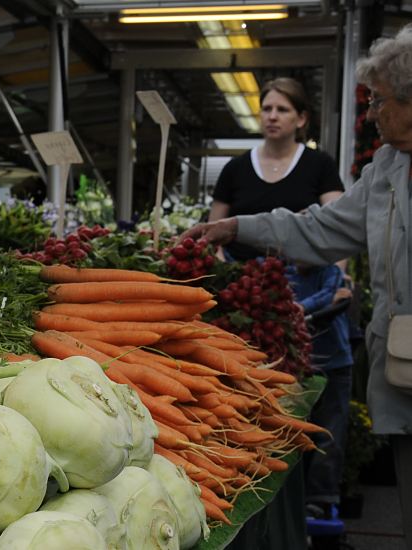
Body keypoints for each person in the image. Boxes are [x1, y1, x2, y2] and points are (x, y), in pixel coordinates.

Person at [181, 24, 412, 548]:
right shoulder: (386, 170)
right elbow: (322, 229)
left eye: (378, 101)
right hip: (404, 369)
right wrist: (240, 226)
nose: (371, 113)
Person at [209, 77, 344, 261]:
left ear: (301, 119)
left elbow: (336, 226)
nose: (272, 116)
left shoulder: (320, 165)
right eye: (266, 109)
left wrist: (335, 277)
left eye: (282, 110)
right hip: (239, 280)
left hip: (302, 279)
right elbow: (213, 231)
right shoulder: (235, 168)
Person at [286, 262, 353, 518]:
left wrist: (301, 308)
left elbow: (327, 295)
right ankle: (296, 496)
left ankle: (321, 498)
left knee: (329, 433)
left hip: (334, 364)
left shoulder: (329, 271)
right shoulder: (286, 272)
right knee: (293, 432)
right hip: (297, 367)